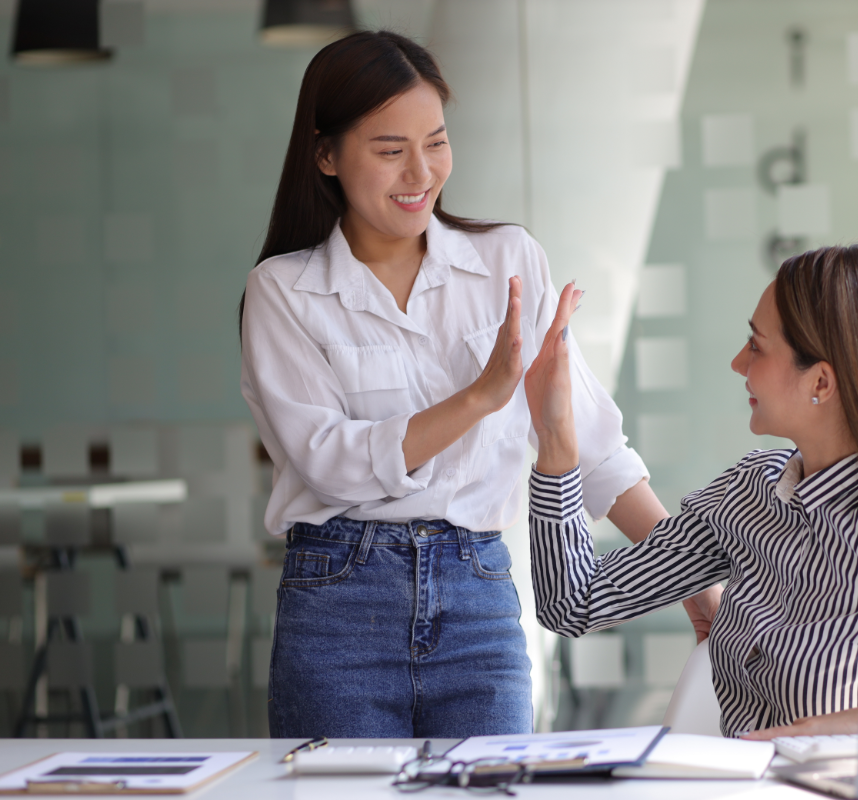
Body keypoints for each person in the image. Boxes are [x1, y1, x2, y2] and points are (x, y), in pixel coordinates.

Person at [238, 30, 718, 739]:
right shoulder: (282, 291)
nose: (420, 172)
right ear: (326, 155)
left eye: (435, 142)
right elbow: (330, 464)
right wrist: (479, 398)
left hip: (478, 603)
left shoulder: (507, 263)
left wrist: (694, 583)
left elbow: (591, 445)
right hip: (339, 610)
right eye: (389, 149)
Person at [524, 245, 858, 739]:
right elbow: (573, 601)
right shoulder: (750, 493)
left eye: (757, 346)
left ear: (820, 382)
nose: (736, 363)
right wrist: (556, 435)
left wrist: (810, 734)